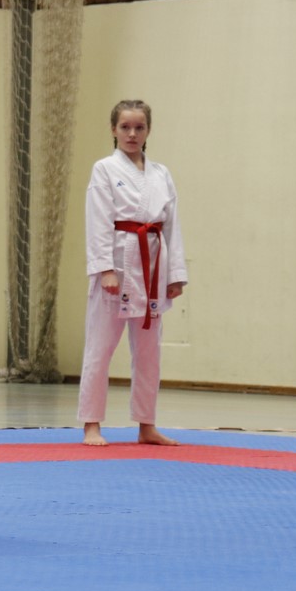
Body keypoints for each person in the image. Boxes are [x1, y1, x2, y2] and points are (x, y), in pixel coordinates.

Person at [77, 99, 188, 446]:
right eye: (125, 127)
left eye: (139, 127)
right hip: (118, 261)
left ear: (148, 130)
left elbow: (171, 225)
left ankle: (146, 425)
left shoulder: (161, 174)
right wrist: (105, 270)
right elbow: (98, 221)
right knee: (100, 347)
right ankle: (91, 424)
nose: (132, 134)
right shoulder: (104, 169)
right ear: (113, 129)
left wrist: (175, 274)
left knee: (149, 351)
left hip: (152, 264)